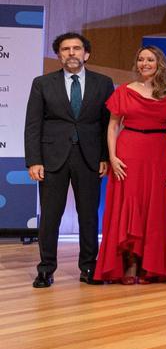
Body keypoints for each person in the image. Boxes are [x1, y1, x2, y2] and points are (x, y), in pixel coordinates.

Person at [25, 32, 114, 288]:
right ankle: (46, 269)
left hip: (90, 158)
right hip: (52, 159)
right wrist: (34, 160)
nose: (71, 53)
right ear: (59, 55)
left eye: (76, 48)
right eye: (65, 49)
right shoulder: (42, 83)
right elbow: (33, 124)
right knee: (50, 216)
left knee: (88, 215)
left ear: (86, 54)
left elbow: (107, 124)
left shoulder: (103, 83)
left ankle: (89, 267)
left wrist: (104, 156)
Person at [96, 46, 166, 284]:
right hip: (128, 153)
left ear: (159, 64)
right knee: (129, 205)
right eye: (141, 59)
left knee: (154, 209)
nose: (144, 63)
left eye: (150, 59)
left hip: (158, 155)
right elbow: (112, 126)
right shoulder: (124, 91)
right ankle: (129, 264)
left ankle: (150, 266)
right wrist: (112, 157)